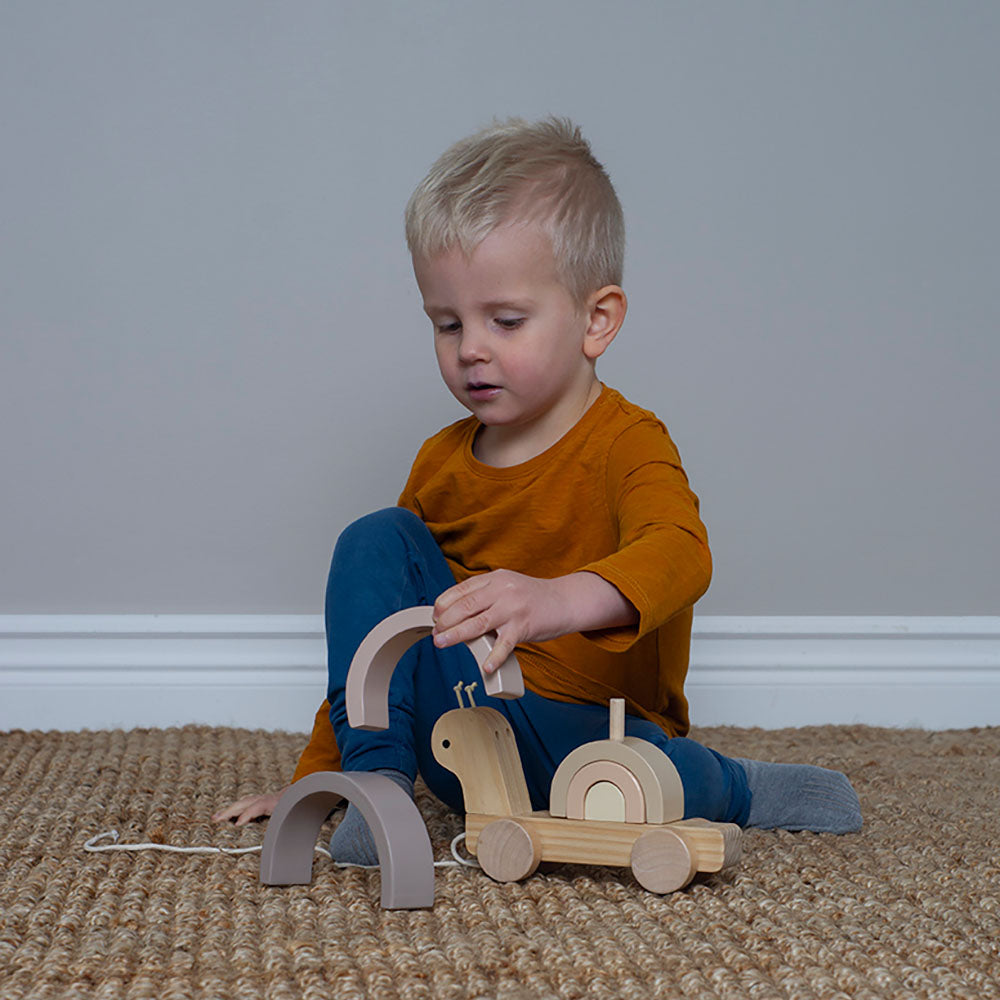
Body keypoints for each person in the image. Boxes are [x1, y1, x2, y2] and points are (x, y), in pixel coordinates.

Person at [213, 117, 862, 860]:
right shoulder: (441, 462)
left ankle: (741, 785)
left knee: (653, 785)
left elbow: (681, 555)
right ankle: (377, 783)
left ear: (596, 320)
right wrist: (319, 777)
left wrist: (556, 600)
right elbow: (373, 642)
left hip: (598, 729)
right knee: (372, 541)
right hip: (471, 735)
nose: (471, 350)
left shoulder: (628, 440)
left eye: (506, 320)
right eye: (446, 323)